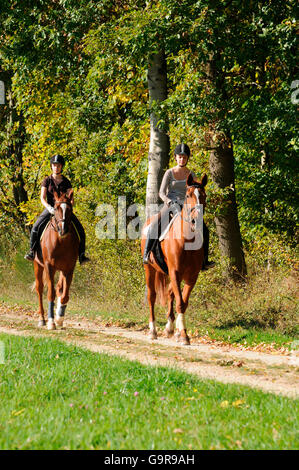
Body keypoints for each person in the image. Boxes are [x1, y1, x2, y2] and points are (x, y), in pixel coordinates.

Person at [143, 143, 215, 270]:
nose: (182, 159)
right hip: (170, 203)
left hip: (187, 205)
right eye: (180, 157)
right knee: (155, 225)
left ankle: (204, 261)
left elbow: (195, 190)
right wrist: (169, 201)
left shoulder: (191, 173)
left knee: (205, 229)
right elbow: (161, 192)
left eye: (184, 157)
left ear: (187, 159)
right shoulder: (169, 173)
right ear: (175, 158)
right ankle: (146, 254)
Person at [24, 154, 90, 265]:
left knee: (80, 229)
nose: (56, 167)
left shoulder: (66, 182)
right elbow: (42, 198)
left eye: (58, 165)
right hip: (51, 208)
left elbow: (71, 198)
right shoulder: (47, 181)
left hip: (64, 210)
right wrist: (49, 208)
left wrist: (69, 206)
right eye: (54, 165)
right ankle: (32, 251)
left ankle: (81, 255)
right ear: (51, 166)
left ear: (61, 167)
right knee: (36, 227)